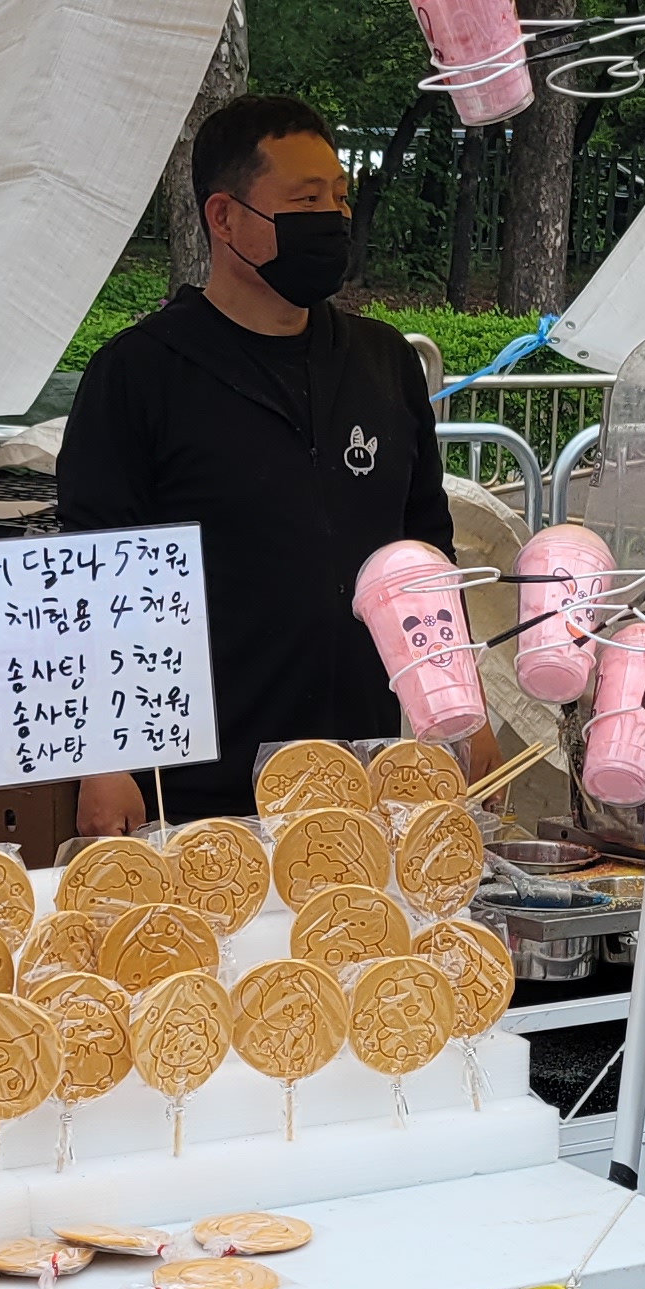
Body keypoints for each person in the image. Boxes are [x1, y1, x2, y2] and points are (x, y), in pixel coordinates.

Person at [55, 94, 457, 832]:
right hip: (194, 787)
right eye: (305, 200)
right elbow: (94, 568)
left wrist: (460, 712)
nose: (332, 217)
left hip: (360, 773)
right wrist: (104, 761)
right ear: (224, 217)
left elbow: (425, 552)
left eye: (339, 196)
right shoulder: (141, 373)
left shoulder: (383, 363)